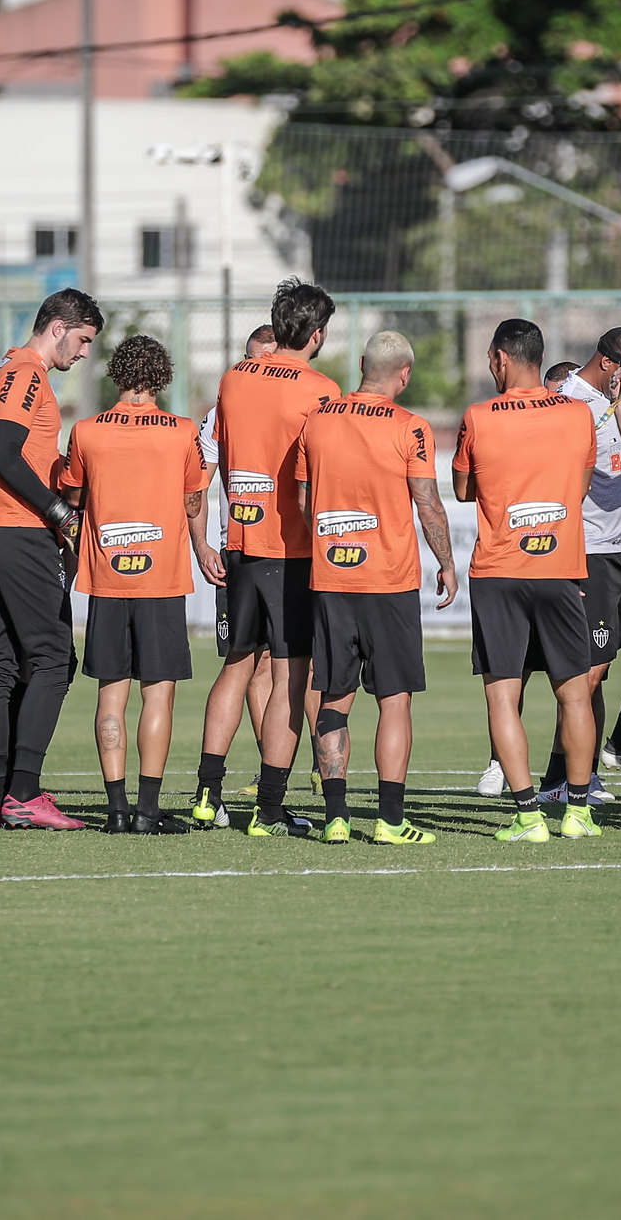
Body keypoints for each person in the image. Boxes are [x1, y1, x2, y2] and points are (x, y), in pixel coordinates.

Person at [296, 330, 458, 845]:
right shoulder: (411, 428)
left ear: (363, 364)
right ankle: (389, 821)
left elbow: (304, 500)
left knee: (334, 696)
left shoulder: (317, 420)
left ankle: (336, 817)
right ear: (405, 374)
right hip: (388, 582)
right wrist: (448, 564)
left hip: (331, 578)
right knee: (394, 699)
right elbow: (428, 504)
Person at [0, 290, 103, 830]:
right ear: (59, 327)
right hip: (13, 532)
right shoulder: (26, 373)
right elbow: (5, 456)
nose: (85, 353)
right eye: (84, 339)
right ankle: (22, 792)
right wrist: (61, 514)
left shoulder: (8, 370)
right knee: (53, 660)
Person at [454, 318, 600, 843]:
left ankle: (528, 816)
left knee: (502, 697)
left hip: (499, 571)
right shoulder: (578, 414)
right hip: (560, 566)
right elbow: (579, 486)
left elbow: (465, 489)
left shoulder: (478, 416)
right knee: (575, 695)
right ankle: (578, 811)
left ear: (499, 359)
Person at [61, 334, 214, 834]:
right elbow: (194, 499)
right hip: (163, 580)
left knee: (111, 696)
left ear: (117, 375)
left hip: (106, 581)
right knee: (159, 695)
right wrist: (202, 547)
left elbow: (73, 497)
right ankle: (148, 811)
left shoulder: (86, 431)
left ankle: (116, 810)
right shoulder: (182, 431)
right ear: (162, 378)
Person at [206, 279, 341, 836]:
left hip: (240, 540)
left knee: (236, 665)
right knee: (291, 676)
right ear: (316, 334)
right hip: (292, 549)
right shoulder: (322, 390)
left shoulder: (235, 376)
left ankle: (205, 795)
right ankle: (268, 809)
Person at [521, 327, 621, 806]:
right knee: (589, 675)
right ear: (610, 363)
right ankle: (562, 780)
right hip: (590, 552)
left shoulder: (613, 404)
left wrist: (618, 405)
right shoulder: (565, 400)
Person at [195, 324, 278, 823]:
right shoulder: (224, 409)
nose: (255, 367)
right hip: (252, 551)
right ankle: (255, 791)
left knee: (261, 667)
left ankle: (228, 789)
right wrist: (202, 543)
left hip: (261, 553)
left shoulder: (233, 403)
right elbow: (197, 486)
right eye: (249, 358)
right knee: (246, 665)